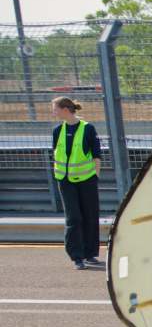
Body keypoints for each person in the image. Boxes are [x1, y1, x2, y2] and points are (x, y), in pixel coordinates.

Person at [51, 96, 103, 270]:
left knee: (90, 215)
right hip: (65, 181)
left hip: (87, 180)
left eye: (55, 108)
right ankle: (77, 257)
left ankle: (90, 253)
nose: (53, 112)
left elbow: (97, 155)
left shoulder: (88, 129)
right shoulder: (57, 130)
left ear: (65, 109)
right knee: (73, 218)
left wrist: (95, 175)